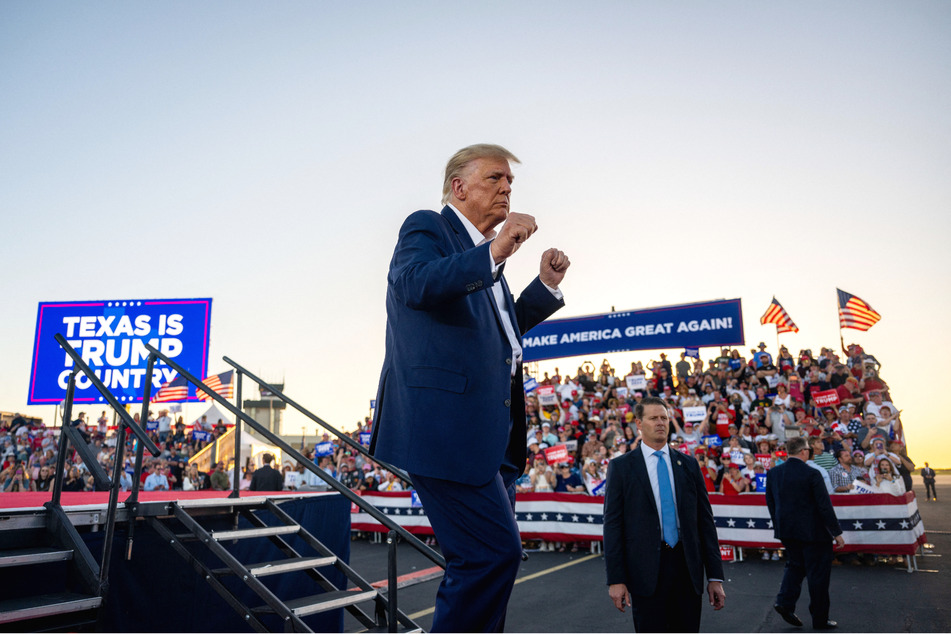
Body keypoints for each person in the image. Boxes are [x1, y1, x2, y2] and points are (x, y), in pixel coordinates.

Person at [369, 144, 569, 632]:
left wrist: (543, 287)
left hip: (490, 438)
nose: (506, 188)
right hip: (446, 431)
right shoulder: (428, 227)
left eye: (510, 182)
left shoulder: (485, 264)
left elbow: (501, 333)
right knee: (490, 557)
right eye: (495, 178)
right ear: (459, 187)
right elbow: (414, 283)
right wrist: (494, 252)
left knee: (489, 563)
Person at [603, 396, 725, 632]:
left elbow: (705, 523)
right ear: (638, 423)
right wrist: (616, 579)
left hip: (687, 570)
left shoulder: (689, 465)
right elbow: (613, 525)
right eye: (653, 418)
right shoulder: (621, 468)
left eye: (664, 418)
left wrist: (715, 577)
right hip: (645, 573)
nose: (660, 423)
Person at [766, 436, 845, 630]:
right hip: (814, 534)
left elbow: (771, 503)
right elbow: (824, 506)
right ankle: (820, 619)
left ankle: (784, 602)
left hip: (787, 531)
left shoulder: (774, 473)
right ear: (803, 452)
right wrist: (836, 532)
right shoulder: (812, 474)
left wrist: (779, 526)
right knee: (818, 576)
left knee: (795, 567)